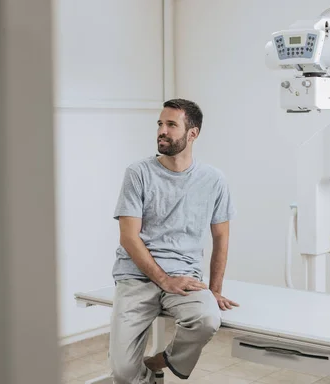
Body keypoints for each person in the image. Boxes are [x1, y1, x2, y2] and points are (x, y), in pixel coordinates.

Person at [109, 98, 239, 384]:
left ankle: (161, 361)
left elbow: (221, 237)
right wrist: (164, 280)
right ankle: (148, 378)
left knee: (207, 319)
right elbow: (129, 237)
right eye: (160, 124)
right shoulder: (138, 173)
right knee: (122, 372)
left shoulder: (214, 180)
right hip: (136, 277)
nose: (162, 131)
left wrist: (215, 290)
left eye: (171, 125)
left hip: (185, 276)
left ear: (192, 134)